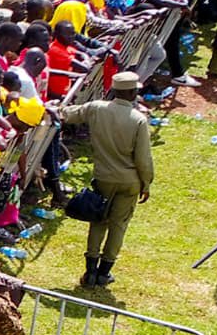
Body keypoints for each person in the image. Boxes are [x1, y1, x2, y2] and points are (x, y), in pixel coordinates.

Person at [60, 71, 157, 287]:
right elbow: (143, 159)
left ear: (113, 90)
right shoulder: (138, 120)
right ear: (132, 93)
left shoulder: (97, 108)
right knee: (118, 225)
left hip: (103, 177)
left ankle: (90, 271)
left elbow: (67, 114)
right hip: (129, 180)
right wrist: (146, 183)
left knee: (98, 220)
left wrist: (54, 109)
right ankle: (104, 273)